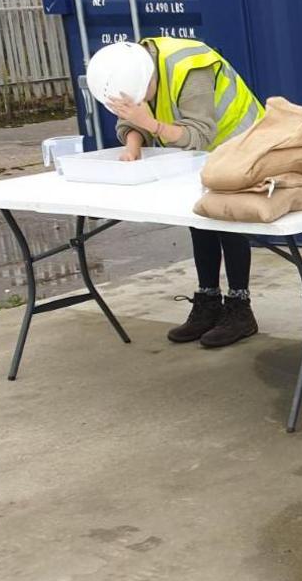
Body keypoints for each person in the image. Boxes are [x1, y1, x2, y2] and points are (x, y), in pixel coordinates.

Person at [87, 38, 266, 349]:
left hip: (242, 143)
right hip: (201, 155)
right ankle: (208, 301)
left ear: (149, 78)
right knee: (198, 218)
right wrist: (132, 147)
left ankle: (240, 308)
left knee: (228, 221)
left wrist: (152, 124)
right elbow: (133, 120)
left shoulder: (190, 68)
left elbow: (199, 133)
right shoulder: (132, 68)